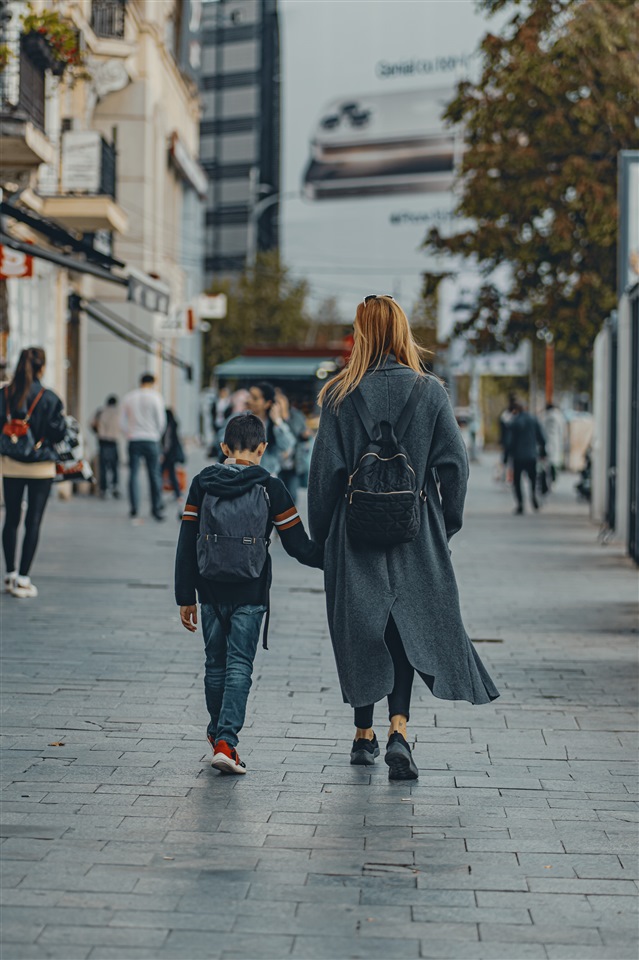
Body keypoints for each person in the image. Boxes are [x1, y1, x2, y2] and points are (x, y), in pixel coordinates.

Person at [308, 295, 499, 781]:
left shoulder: (337, 395)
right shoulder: (430, 391)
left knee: (360, 630)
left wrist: (322, 536)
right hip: (417, 530)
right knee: (404, 630)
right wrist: (444, 524)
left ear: (362, 334)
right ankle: (398, 730)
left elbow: (323, 475)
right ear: (402, 332)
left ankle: (361, 734)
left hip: (354, 535)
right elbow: (455, 468)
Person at [175, 412, 323, 774]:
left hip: (209, 590)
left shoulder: (202, 483)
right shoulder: (271, 487)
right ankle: (226, 741)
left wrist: (185, 596)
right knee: (240, 664)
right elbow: (299, 547)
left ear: (224, 447)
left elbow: (186, 541)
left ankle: (217, 736)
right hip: (251, 592)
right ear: (263, 448)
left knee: (215, 664)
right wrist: (338, 559)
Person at [0, 347, 67, 598]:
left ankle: (9, 574)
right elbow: (58, 433)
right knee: (34, 521)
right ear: (42, 367)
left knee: (11, 518)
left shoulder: (5, 394)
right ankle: (24, 578)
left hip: (11, 464)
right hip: (41, 467)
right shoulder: (49, 398)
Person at [120, 373, 166, 522]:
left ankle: (134, 508)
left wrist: (129, 433)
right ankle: (156, 508)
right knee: (154, 474)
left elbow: (122, 421)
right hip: (151, 438)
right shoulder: (156, 397)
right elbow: (161, 421)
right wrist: (156, 435)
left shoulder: (129, 397)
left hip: (134, 439)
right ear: (152, 383)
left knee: (133, 473)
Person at [505, 401, 547, 514]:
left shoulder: (514, 422)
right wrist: (543, 452)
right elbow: (542, 438)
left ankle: (520, 504)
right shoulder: (534, 420)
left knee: (517, 482)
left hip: (518, 457)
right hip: (532, 456)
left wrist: (506, 457)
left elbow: (509, 442)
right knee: (533, 479)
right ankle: (533, 496)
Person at [246, 381, 295, 478]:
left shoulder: (274, 424)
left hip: (268, 477)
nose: (249, 401)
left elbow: (288, 444)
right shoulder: (240, 419)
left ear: (267, 403)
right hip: (244, 475)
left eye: (255, 398)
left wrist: (278, 421)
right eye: (249, 396)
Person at [275, 388, 309, 503]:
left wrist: (284, 418)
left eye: (281, 401)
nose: (278, 404)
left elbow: (301, 433)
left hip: (293, 462)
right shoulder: (272, 417)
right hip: (277, 463)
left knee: (292, 495)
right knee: (277, 494)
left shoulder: (295, 415)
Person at [91, 395, 120, 499]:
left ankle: (103, 489)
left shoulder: (100, 411)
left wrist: (98, 432)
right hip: (113, 441)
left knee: (102, 467)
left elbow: (92, 424)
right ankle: (115, 486)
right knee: (114, 466)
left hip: (102, 441)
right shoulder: (118, 412)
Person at [161, 408, 185, 500]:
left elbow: (168, 442)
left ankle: (158, 492)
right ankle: (177, 493)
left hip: (169, 455)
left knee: (160, 472)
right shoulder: (174, 424)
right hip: (172, 454)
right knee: (171, 474)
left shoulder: (168, 427)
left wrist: (164, 453)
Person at [542, 402, 566, 483]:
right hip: (556, 441)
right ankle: (553, 478)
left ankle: (548, 477)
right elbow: (562, 430)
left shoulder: (545, 417)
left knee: (548, 462)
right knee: (554, 461)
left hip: (547, 441)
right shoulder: (559, 417)